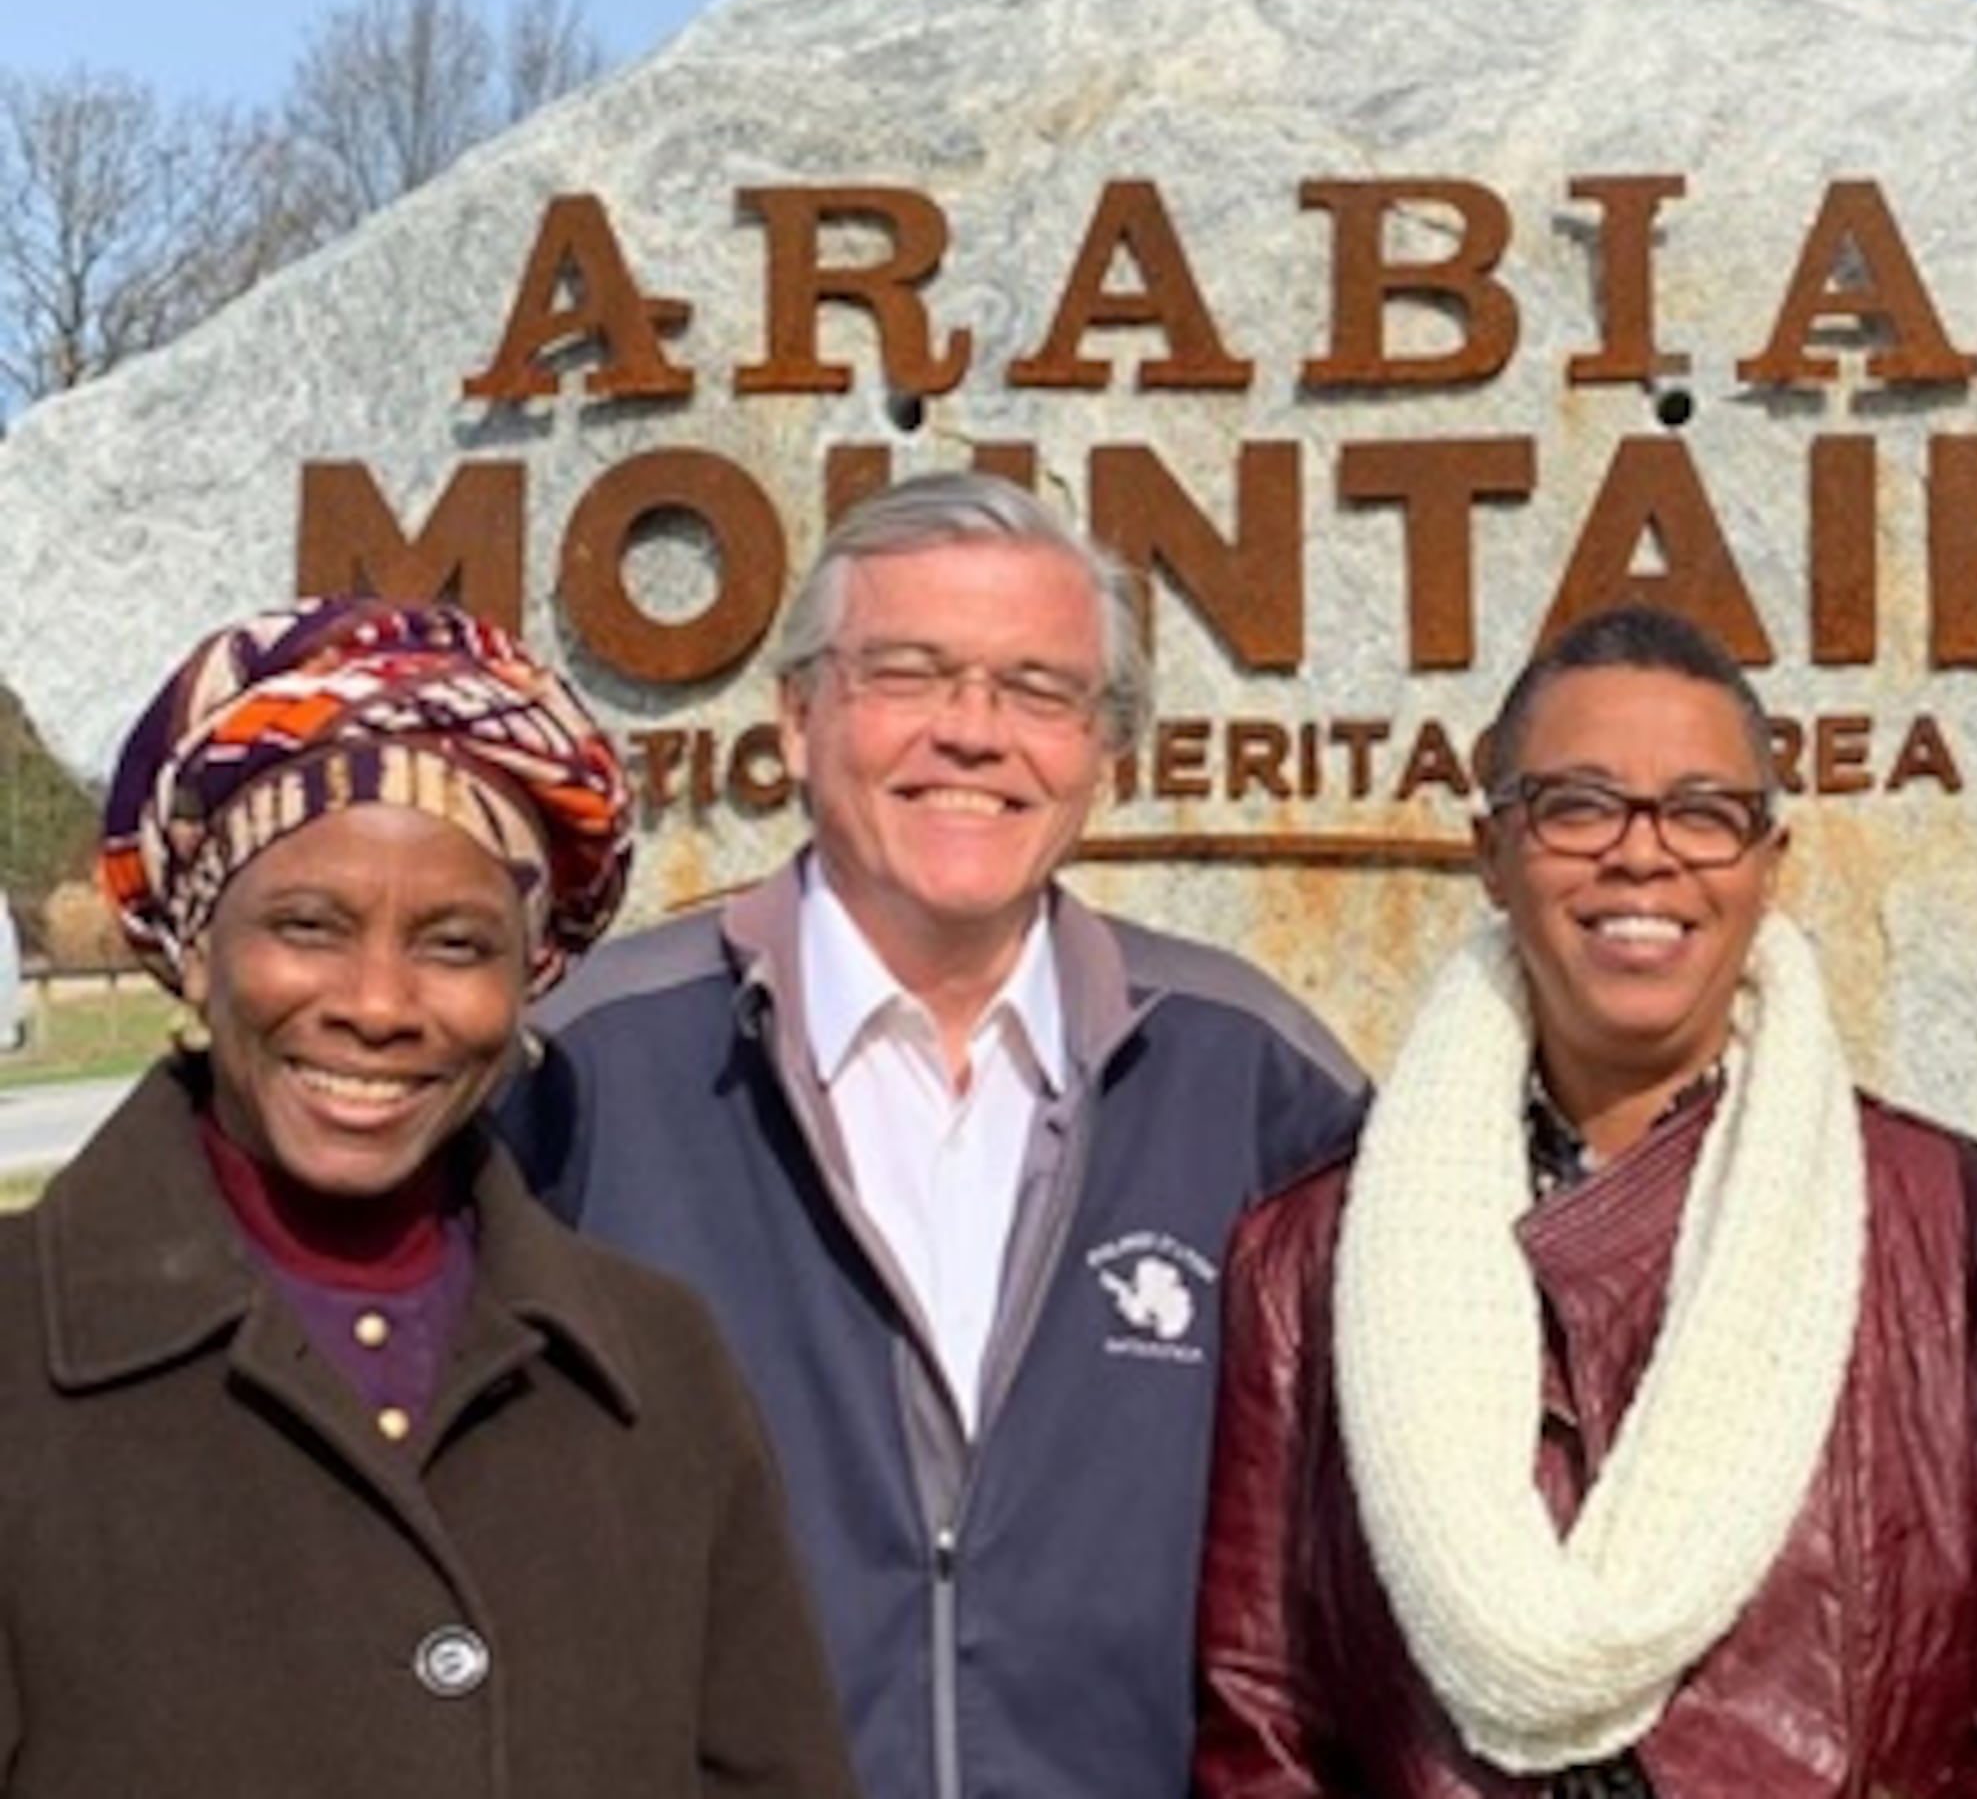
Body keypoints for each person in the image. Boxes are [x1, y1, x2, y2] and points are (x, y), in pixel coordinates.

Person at [508, 471, 1367, 1799]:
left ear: (1102, 754)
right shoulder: (590, 1066)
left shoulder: (1251, 1074)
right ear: (799, 718)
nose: (974, 733)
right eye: (909, 674)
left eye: (1038, 690)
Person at [1195, 603, 1977, 1797]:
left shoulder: (1950, 1226)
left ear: (1769, 864)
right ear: (1492, 853)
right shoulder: (1315, 1255)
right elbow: (1263, 1717)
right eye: (1578, 807)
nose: (1641, 854)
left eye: (1703, 812)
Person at [0, 597, 856, 1798]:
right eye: (308, 926)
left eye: (455, 945)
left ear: (529, 975)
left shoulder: (660, 1363)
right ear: (195, 947)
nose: (379, 1004)